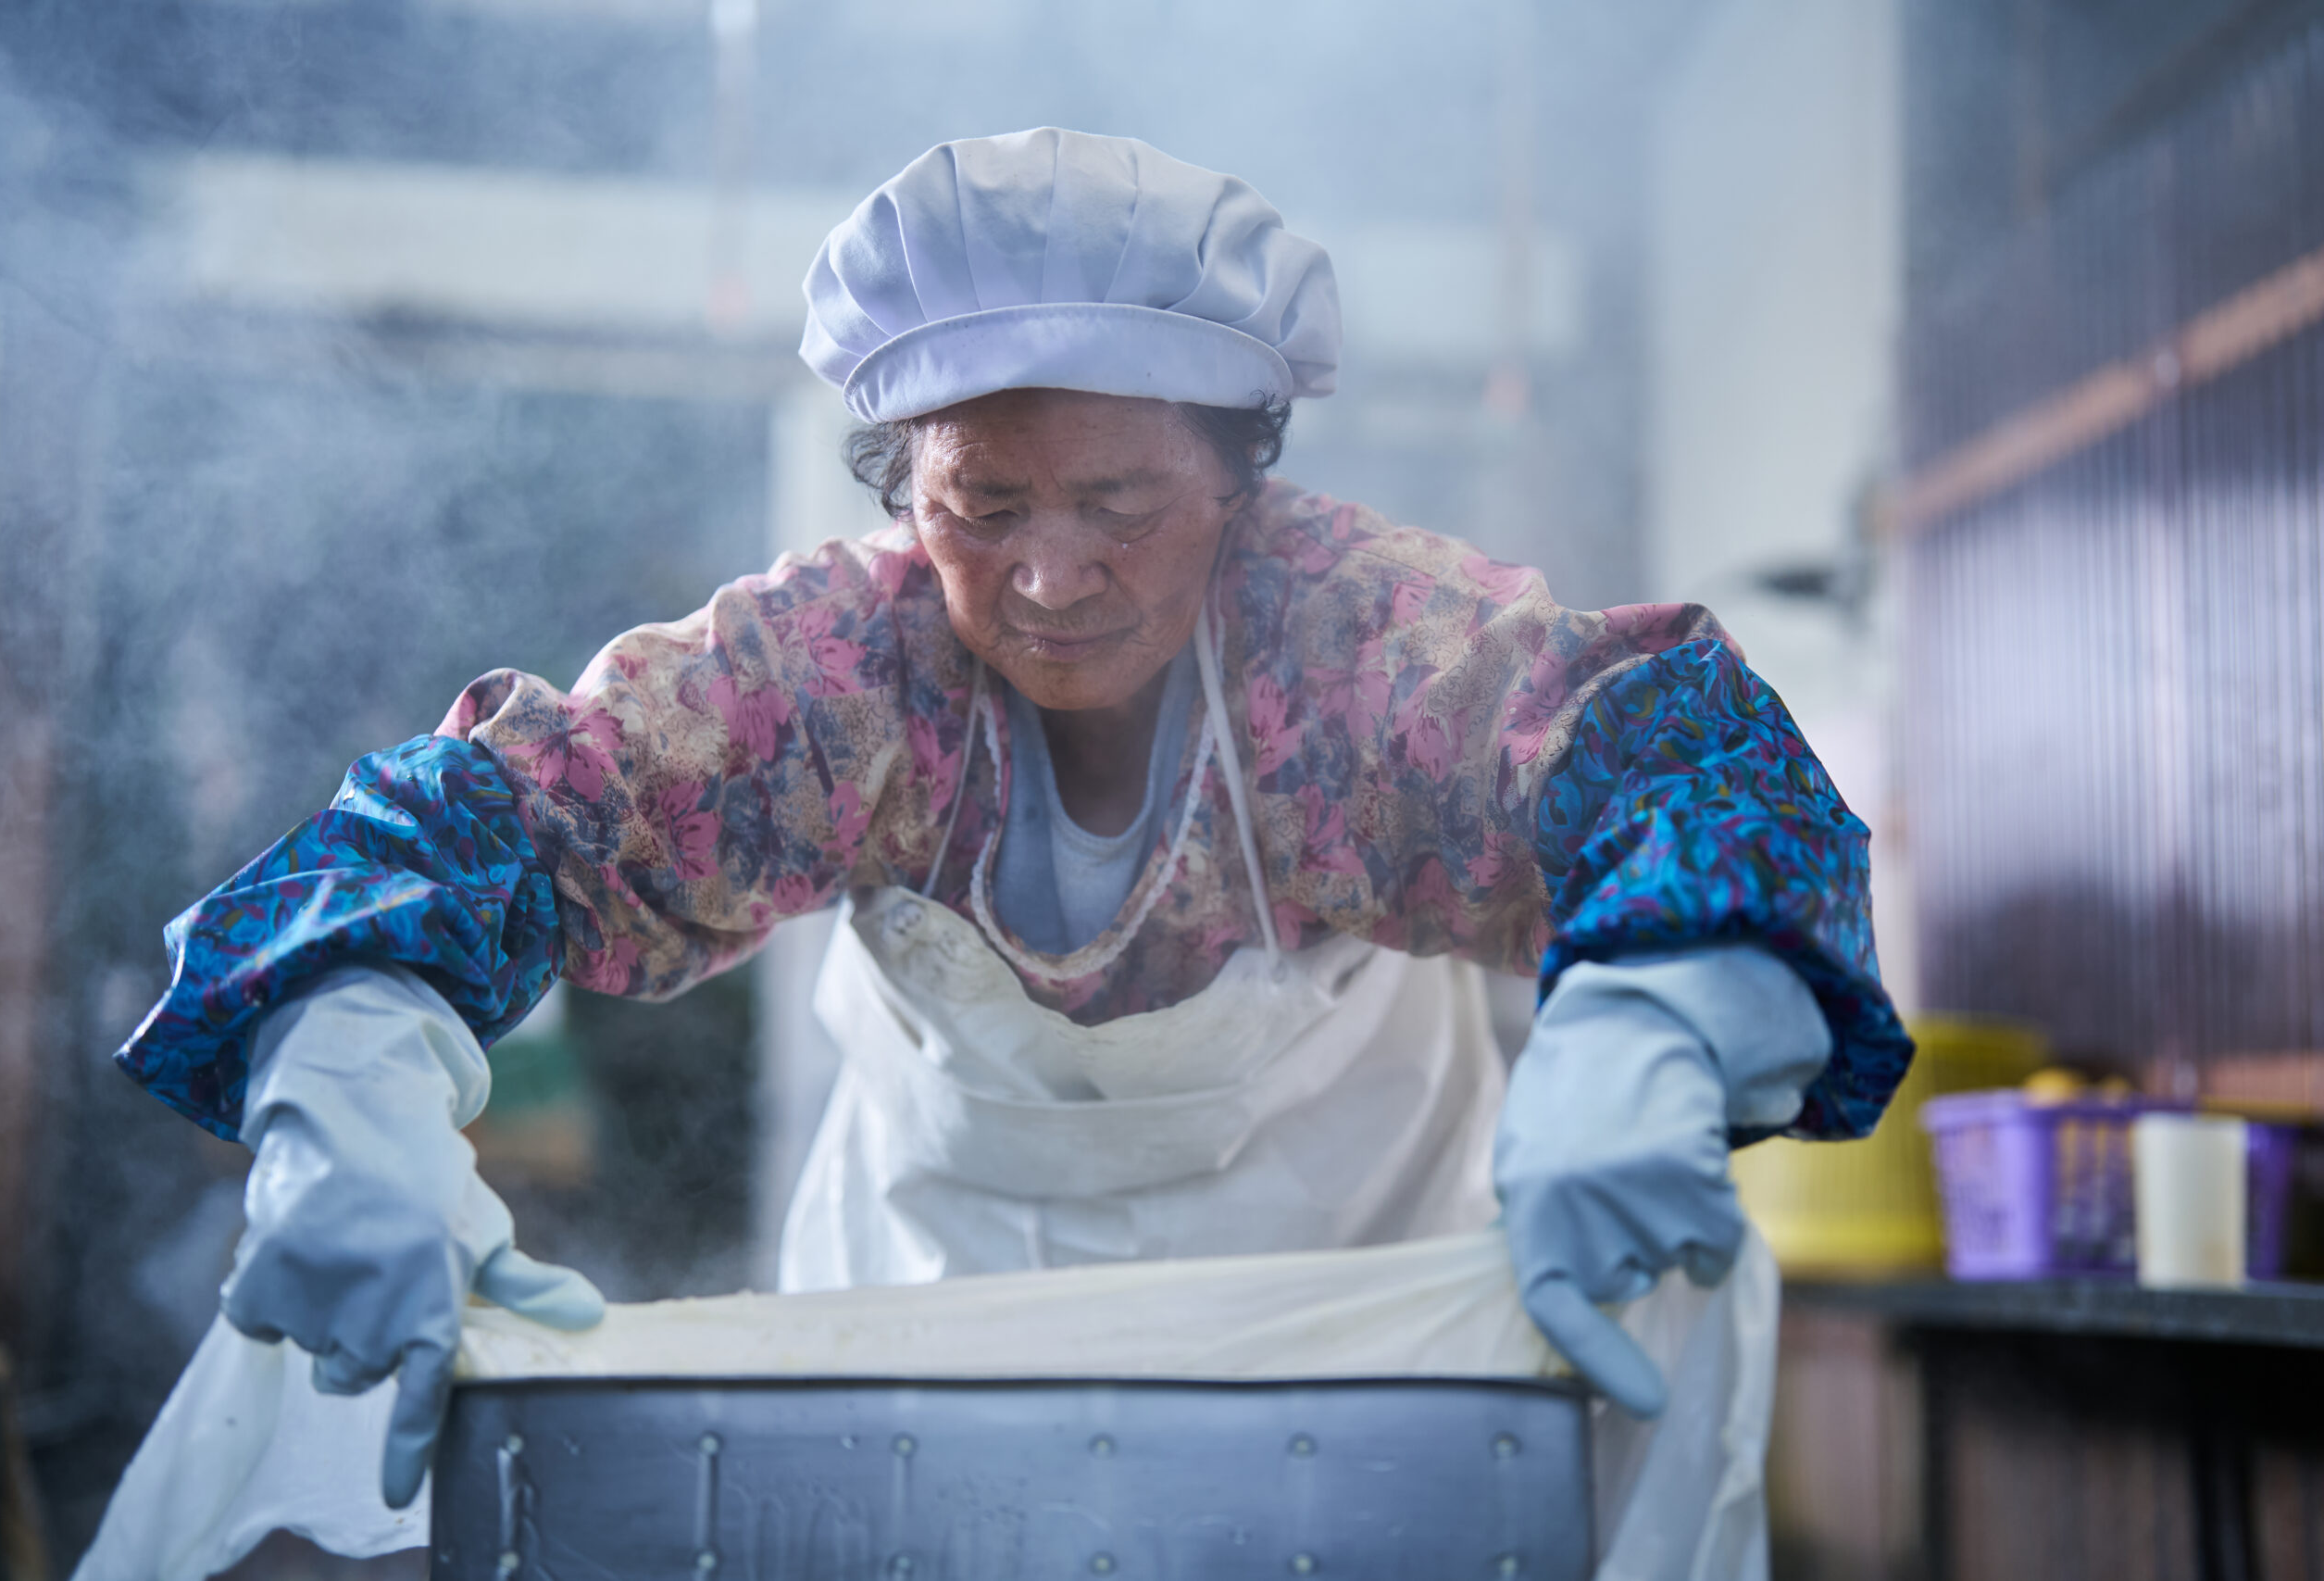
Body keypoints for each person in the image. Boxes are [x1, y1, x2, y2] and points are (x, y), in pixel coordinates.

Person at [115, 129, 1911, 1512]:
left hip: (1357, 1356)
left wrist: (1655, 1011)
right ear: (907, 488)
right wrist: (340, 1056)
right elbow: (487, 824)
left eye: (1123, 496)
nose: (1051, 573)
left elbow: (1670, 753)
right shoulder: (834, 672)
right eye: (982, 506)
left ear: (1237, 477)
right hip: (926, 1361)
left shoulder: (1351, 639)